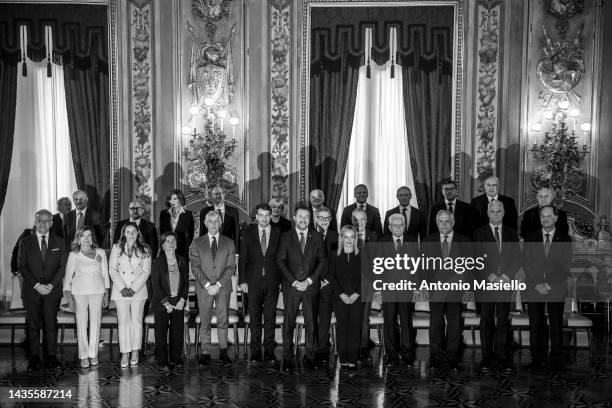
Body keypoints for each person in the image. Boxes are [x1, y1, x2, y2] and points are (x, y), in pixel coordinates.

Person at [472, 200, 521, 371]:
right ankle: (486, 357)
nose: (496, 214)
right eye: (492, 211)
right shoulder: (479, 233)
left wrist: (506, 277)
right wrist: (491, 276)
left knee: (502, 321)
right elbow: (476, 260)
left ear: (504, 212)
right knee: (486, 321)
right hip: (486, 284)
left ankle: (502, 357)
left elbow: (517, 259)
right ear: (487, 213)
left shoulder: (511, 233)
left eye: (499, 211)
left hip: (505, 284)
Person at [523, 205, 572, 371]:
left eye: (549, 216)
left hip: (556, 287)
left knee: (556, 324)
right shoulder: (531, 237)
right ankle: (537, 359)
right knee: (535, 324)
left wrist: (548, 284)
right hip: (534, 287)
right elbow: (526, 263)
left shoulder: (565, 239)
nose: (546, 218)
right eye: (543, 216)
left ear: (556, 218)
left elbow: (565, 267)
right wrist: (537, 283)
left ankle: (555, 360)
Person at [278, 203, 326, 370]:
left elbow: (321, 261)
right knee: (288, 322)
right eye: (300, 216)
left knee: (311, 322)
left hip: (310, 287)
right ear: (294, 218)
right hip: (291, 287)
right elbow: (281, 261)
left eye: (306, 217)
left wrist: (309, 281)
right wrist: (294, 281)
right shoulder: (285, 237)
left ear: (310, 219)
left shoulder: (318, 237)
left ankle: (310, 356)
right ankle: (287, 357)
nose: (303, 219)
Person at [422, 210, 472, 370]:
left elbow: (469, 268)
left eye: (447, 221)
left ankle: (452, 357)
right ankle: (436, 358)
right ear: (436, 223)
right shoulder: (428, 241)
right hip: (435, 290)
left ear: (453, 222)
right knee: (435, 324)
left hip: (456, 291)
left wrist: (468, 289)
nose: (444, 224)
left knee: (454, 325)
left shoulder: (464, 241)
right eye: (441, 221)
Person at [18, 209, 67, 370]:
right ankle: (33, 357)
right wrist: (37, 285)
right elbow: (22, 267)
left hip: (52, 291)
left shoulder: (59, 242)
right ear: (35, 222)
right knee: (33, 325)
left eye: (47, 221)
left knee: (51, 324)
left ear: (52, 223)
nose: (43, 224)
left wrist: (51, 285)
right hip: (32, 291)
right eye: (40, 220)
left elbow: (62, 266)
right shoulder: (25, 242)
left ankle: (51, 356)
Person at [190, 211, 236, 365]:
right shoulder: (197, 243)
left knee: (223, 320)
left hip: (223, 288)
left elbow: (231, 267)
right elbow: (195, 267)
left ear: (221, 222)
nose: (214, 224)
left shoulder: (229, 242)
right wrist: (209, 285)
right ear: (205, 223)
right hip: (204, 288)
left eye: (217, 221)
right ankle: (205, 352)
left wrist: (218, 284)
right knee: (205, 320)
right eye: (210, 221)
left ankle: (223, 351)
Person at [239, 203, 282, 363]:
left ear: (271, 216)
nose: (264, 219)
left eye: (267, 215)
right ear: (256, 216)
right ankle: (256, 351)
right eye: (261, 215)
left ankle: (269, 351)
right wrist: (242, 281)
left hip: (272, 281)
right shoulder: (248, 233)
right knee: (255, 318)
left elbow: (282, 259)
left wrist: (281, 281)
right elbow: (243, 258)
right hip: (253, 282)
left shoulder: (278, 233)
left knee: (270, 318)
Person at [63, 227, 110, 368]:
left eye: (89, 236)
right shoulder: (73, 255)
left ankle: (93, 354)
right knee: (81, 323)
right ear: (78, 238)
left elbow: (105, 274)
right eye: (83, 236)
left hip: (98, 290)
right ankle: (83, 355)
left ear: (92, 238)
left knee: (96, 322)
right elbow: (67, 278)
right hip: (79, 291)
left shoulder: (100, 252)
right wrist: (69, 297)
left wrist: (107, 293)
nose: (86, 239)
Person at [109, 222, 152, 368]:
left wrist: (133, 288)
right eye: (128, 232)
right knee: (123, 322)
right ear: (123, 233)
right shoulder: (116, 248)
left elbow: (146, 271)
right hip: (120, 290)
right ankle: (125, 352)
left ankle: (135, 350)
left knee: (136, 321)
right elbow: (112, 270)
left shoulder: (145, 249)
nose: (131, 235)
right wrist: (122, 288)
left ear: (138, 233)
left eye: (134, 232)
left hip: (138, 291)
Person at [378, 214, 419, 366]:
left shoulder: (413, 240)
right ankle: (392, 355)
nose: (397, 228)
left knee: (406, 322)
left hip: (406, 288)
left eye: (400, 225)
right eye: (394, 225)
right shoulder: (382, 242)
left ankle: (407, 354)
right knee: (389, 322)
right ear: (389, 227)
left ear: (405, 226)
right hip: (388, 289)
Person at [151, 232, 189, 369]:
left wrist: (183, 299)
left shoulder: (182, 260)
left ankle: (176, 358)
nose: (171, 243)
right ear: (163, 245)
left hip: (178, 301)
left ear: (176, 244)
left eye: (173, 240)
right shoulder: (157, 262)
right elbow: (156, 284)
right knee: (161, 333)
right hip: (162, 303)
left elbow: (185, 283)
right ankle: (161, 360)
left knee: (177, 331)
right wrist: (165, 302)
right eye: (167, 241)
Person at [329, 225, 363, 369]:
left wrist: (357, 293)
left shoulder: (362, 254)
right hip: (340, 297)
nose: (349, 240)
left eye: (352, 237)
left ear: (356, 238)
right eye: (346, 237)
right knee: (342, 328)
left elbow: (367, 276)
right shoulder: (334, 254)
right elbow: (330, 276)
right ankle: (343, 358)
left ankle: (353, 359)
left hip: (358, 297)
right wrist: (341, 294)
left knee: (355, 327)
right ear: (341, 238)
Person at [313, 206, 339, 365]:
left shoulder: (336, 237)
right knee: (311, 317)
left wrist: (326, 279)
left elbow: (336, 262)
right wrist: (316, 279)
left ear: (330, 220)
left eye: (326, 218)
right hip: (311, 282)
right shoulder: (308, 235)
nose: (323, 221)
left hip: (328, 284)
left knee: (324, 318)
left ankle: (322, 349)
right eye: (320, 218)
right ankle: (312, 347)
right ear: (315, 218)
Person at [199, 185, 241, 250]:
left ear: (224, 195)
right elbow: (202, 233)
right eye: (215, 194)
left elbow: (237, 234)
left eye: (220, 193)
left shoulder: (233, 211)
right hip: (209, 249)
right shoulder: (204, 211)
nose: (218, 196)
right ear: (211, 197)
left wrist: (236, 253)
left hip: (228, 249)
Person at [159, 189, 194, 260]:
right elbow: (162, 233)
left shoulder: (188, 214)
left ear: (180, 199)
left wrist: (186, 248)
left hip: (182, 251)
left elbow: (190, 234)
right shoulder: (163, 214)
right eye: (170, 199)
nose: (172, 202)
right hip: (166, 249)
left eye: (174, 199)